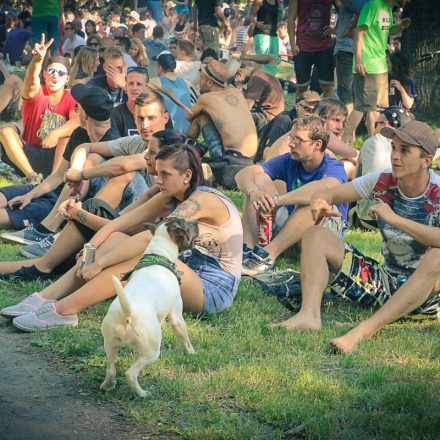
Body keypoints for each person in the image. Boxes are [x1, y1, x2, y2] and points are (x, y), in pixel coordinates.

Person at [2, 144, 244, 330]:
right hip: (183, 270)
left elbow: (155, 239)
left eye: (165, 174)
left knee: (150, 253)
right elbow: (119, 223)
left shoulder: (204, 199)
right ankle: (44, 297)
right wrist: (90, 252)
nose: (158, 180)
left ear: (187, 175)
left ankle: (65, 310)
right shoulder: (170, 193)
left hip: (211, 288)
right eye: (157, 173)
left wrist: (99, 264)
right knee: (117, 237)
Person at [274, 121, 440, 356]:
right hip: (384, 282)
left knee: (437, 256)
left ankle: (364, 330)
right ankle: (308, 315)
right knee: (316, 235)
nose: (395, 156)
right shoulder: (383, 180)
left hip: (427, 300)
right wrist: (320, 200)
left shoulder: (438, 191)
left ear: (426, 160)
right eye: (394, 148)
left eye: (405, 151)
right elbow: (330, 192)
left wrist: (394, 219)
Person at [0, 90, 169, 277]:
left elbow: (123, 165)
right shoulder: (130, 140)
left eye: (151, 118)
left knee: (122, 174)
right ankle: (48, 247)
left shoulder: (171, 146)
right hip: (106, 210)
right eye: (139, 118)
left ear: (165, 117)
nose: (144, 125)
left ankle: (51, 239)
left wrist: (81, 175)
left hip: (143, 224)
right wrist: (76, 174)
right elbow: (83, 149)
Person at [0, 86, 118, 250]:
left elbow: (84, 187)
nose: (75, 110)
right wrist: (30, 195)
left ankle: (43, 231)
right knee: (7, 196)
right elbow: (58, 175)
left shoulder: (113, 143)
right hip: (58, 189)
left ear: (84, 115)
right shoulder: (79, 133)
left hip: (71, 201)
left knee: (8, 213)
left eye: (78, 107)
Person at [236, 114, 348, 276]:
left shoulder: (333, 167)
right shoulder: (290, 160)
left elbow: (323, 189)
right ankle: (248, 249)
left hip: (322, 237)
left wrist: (278, 201)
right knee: (257, 180)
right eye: (291, 137)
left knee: (315, 200)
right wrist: (254, 192)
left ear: (317, 144)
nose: (290, 144)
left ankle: (267, 256)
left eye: (298, 140)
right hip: (290, 231)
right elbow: (243, 174)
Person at [0, 35, 78, 182]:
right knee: (5, 131)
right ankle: (32, 177)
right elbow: (30, 80)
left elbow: (78, 121)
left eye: (61, 73)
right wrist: (37, 60)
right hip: (28, 153)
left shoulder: (69, 100)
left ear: (67, 79)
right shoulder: (37, 92)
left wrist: (56, 133)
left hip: (55, 157)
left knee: (65, 137)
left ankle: (53, 181)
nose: (55, 76)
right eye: (51, 71)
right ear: (44, 74)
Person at [342, 0, 411, 140]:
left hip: (380, 65)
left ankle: (372, 140)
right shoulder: (372, 6)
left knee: (376, 108)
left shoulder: (387, 10)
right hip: (368, 66)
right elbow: (359, 33)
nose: (408, 0)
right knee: (362, 107)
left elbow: (389, 31)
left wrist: (400, 27)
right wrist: (359, 61)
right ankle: (344, 141)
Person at [353, 106, 413, 229]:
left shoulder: (371, 142)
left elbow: (356, 182)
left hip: (369, 220)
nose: (374, 128)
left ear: (385, 124)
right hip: (406, 220)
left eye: (377, 123)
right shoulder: (413, 146)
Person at [187, 60, 258, 160]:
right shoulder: (235, 91)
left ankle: (186, 149)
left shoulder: (206, 98)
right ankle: (198, 148)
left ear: (210, 82)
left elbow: (189, 116)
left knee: (200, 117)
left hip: (231, 158)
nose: (199, 82)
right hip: (253, 154)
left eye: (201, 78)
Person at [288, 0, 339, 98]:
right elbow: (291, 18)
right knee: (302, 87)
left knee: (327, 87)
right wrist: (292, 44)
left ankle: (328, 113)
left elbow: (344, 10)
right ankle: (299, 112)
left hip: (325, 47)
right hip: (302, 48)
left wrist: (336, 29)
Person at [333, 0, 368, 115]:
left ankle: (347, 129)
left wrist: (349, 29)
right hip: (354, 49)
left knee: (345, 91)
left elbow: (363, 10)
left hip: (346, 49)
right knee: (353, 91)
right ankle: (352, 128)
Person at [150, 51, 193, 133]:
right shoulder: (186, 83)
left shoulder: (155, 82)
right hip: (187, 131)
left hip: (168, 133)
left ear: (160, 67)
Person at [110, 66, 150, 137]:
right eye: (131, 84)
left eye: (139, 84)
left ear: (147, 88)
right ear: (125, 87)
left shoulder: (158, 113)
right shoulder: (115, 114)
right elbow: (114, 146)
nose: (134, 88)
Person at [249, 0, 280, 76]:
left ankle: (269, 83)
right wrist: (258, 24)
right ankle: (257, 82)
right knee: (262, 61)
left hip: (273, 35)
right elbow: (250, 16)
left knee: (274, 62)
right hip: (261, 34)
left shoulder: (277, 2)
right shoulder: (259, 1)